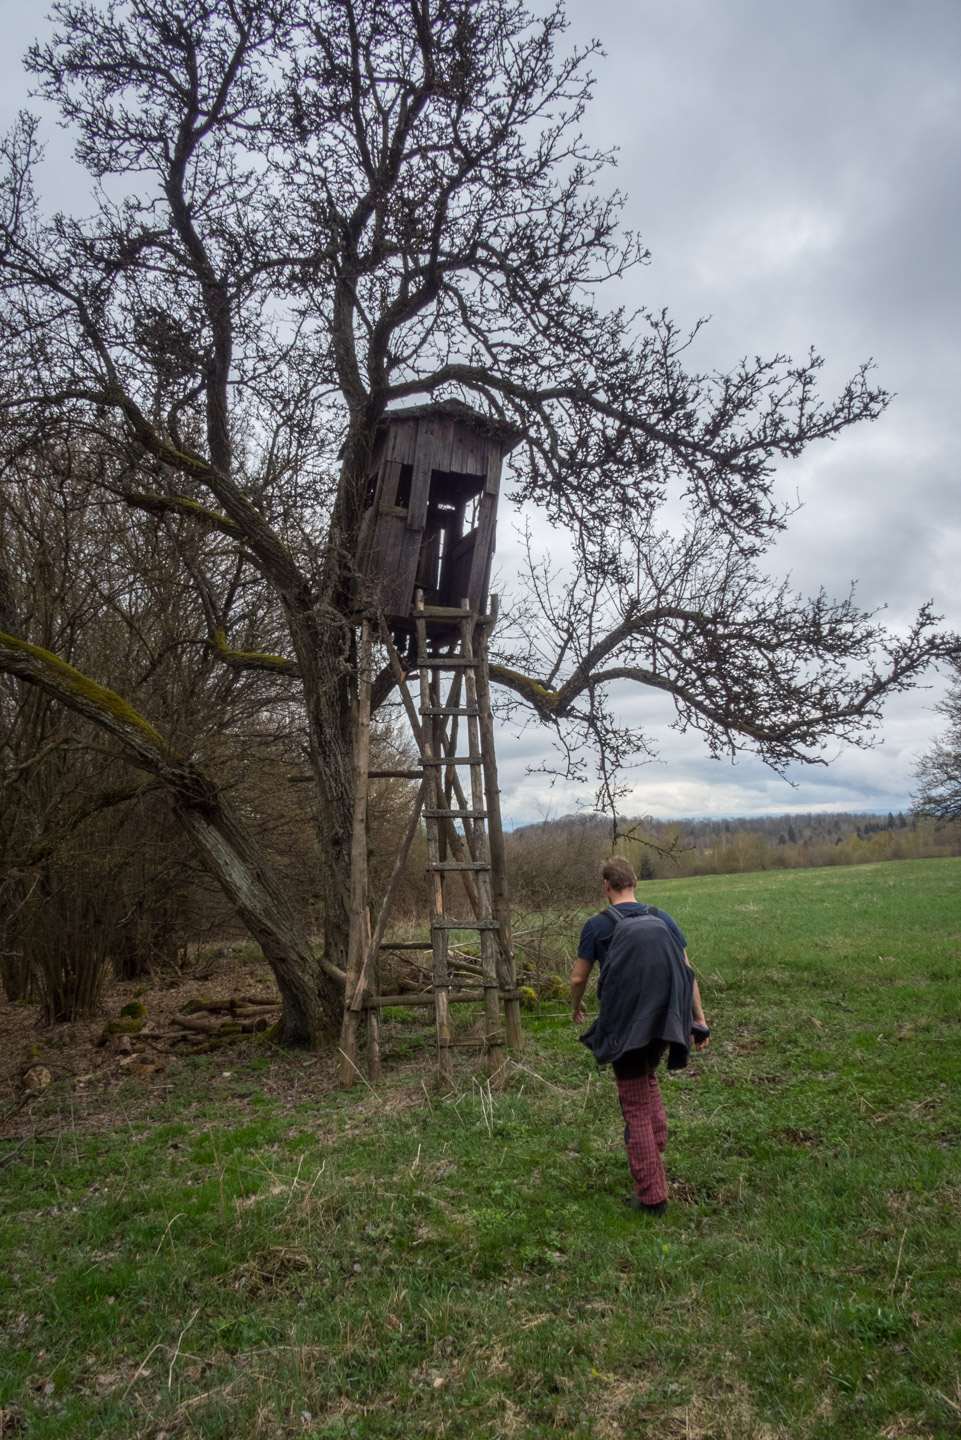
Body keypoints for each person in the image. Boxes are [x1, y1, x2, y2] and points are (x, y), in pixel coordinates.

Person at [570, 857, 709, 1216]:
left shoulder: (596, 925)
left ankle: (652, 1197)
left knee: (633, 1105)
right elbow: (687, 971)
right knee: (648, 1078)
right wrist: (699, 1021)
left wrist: (576, 1006)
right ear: (635, 881)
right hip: (665, 1020)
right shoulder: (661, 918)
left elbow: (577, 978)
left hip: (626, 1024)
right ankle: (655, 1150)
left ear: (606, 885)